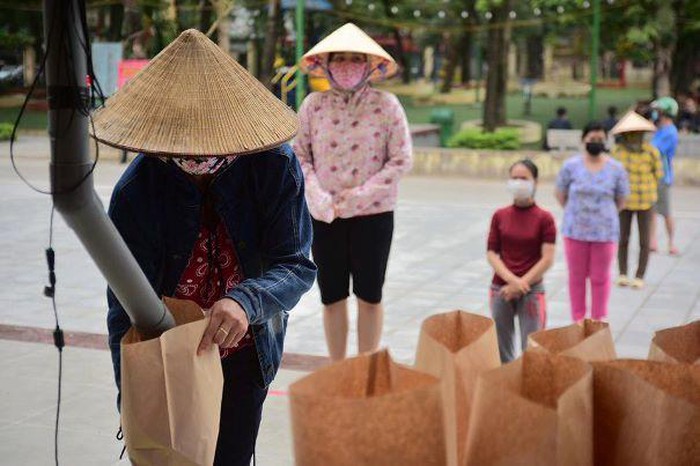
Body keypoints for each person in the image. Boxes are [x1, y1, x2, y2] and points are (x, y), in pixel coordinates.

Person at [95, 30, 316, 465]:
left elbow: (296, 265)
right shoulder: (137, 191)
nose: (197, 155)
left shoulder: (274, 167)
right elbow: (123, 303)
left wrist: (246, 300)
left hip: (246, 346)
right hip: (169, 352)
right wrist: (131, 390)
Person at [294, 23, 412, 361]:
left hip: (374, 215)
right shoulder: (313, 106)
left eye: (355, 58)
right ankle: (337, 367)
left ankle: (365, 367)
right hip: (325, 215)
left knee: (370, 294)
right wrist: (318, 198)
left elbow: (401, 159)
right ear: (326, 64)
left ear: (369, 65)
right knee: (331, 296)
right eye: (340, 58)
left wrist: (357, 196)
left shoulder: (387, 106)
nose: (347, 65)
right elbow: (300, 155)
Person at [555, 122, 629, 322]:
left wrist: (603, 214)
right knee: (576, 277)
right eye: (592, 139)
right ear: (583, 140)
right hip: (575, 231)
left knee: (600, 277)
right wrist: (576, 212)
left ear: (606, 141)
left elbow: (621, 199)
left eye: (600, 140)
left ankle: (598, 319)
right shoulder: (570, 166)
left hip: (605, 232)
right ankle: (577, 319)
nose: (596, 143)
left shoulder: (616, 168)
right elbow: (560, 193)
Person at [487, 160, 556, 363]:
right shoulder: (499, 216)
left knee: (533, 348)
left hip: (532, 290)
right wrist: (512, 281)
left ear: (536, 182)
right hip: (501, 288)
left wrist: (522, 283)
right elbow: (492, 253)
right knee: (501, 348)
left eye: (524, 178)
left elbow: (548, 258)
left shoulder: (545, 218)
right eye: (514, 178)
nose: (518, 182)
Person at [611, 111, 663, 289]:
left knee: (644, 240)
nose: (634, 137)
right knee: (623, 238)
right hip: (624, 203)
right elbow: (612, 177)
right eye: (631, 134)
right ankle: (623, 273)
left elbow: (658, 174)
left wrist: (646, 188)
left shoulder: (651, 152)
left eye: (638, 134)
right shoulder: (617, 153)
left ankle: (640, 275)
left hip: (646, 201)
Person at [650, 97, 680, 255]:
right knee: (652, 211)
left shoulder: (670, 132)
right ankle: (652, 241)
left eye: (659, 112)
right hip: (654, 176)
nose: (656, 114)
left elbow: (654, 150)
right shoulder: (660, 130)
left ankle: (671, 243)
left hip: (663, 177)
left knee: (666, 212)